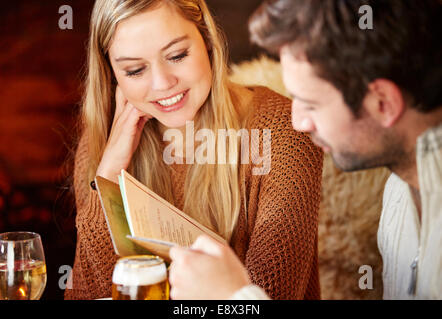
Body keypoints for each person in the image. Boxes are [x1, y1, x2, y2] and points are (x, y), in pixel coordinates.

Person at [169, 0, 442, 300]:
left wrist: (234, 299)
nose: (297, 122)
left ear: (383, 103)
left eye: (311, 104)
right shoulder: (401, 188)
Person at [64, 0, 323, 300]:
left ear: (208, 42)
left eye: (177, 55)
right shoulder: (102, 143)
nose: (163, 83)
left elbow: (263, 298)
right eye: (135, 70)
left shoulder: (283, 132)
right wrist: (108, 181)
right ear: (112, 75)